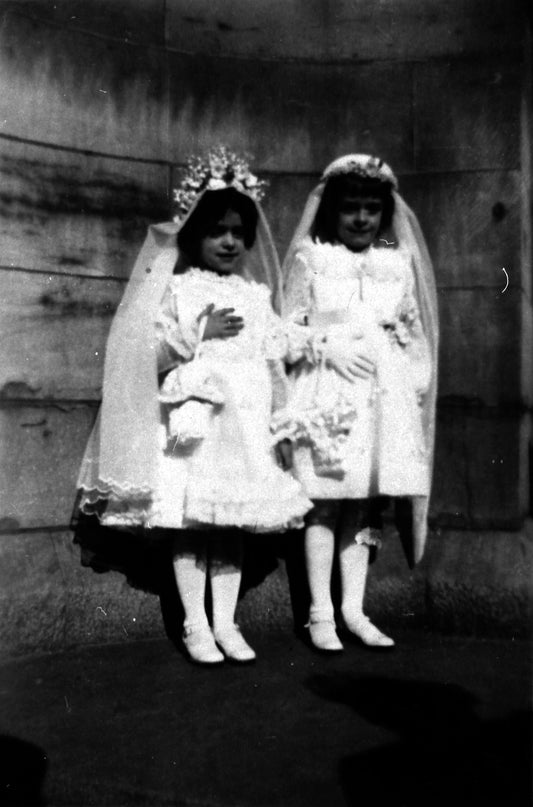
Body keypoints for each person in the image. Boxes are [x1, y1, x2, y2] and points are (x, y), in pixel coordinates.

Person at [75, 147, 312, 665]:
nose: (228, 241)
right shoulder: (176, 289)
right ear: (193, 234)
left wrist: (284, 422)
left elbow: (273, 362)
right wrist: (194, 333)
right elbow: (142, 358)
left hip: (244, 427)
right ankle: (195, 623)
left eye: (236, 231)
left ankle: (227, 622)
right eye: (215, 230)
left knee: (231, 528)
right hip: (196, 429)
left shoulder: (255, 293)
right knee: (191, 525)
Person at [274, 154, 438, 651]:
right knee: (324, 504)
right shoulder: (311, 258)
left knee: (364, 508)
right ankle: (320, 614)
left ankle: (354, 610)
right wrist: (325, 345)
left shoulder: (397, 266)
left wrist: (412, 385)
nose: (362, 219)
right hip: (327, 393)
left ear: (385, 213)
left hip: (381, 400)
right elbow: (283, 329)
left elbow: (412, 334)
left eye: (371, 208)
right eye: (351, 208)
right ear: (333, 211)